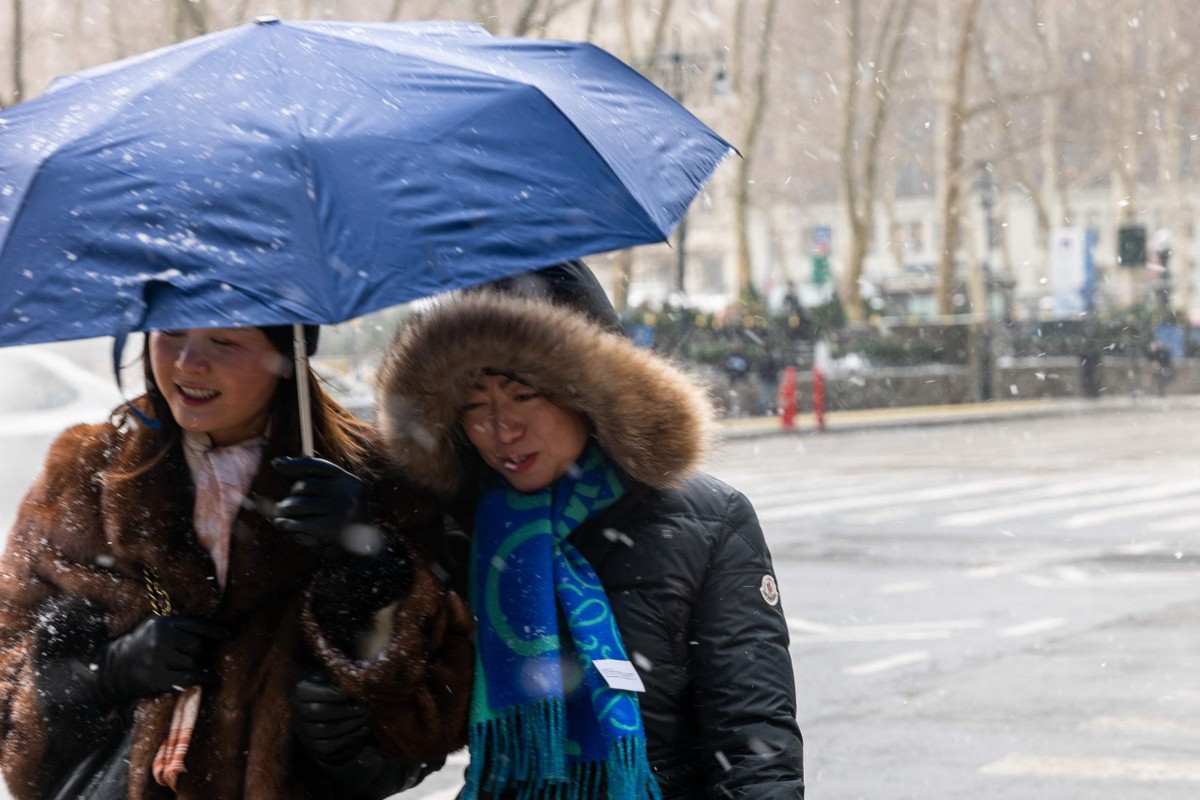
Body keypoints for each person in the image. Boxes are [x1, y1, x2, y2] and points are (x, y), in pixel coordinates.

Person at [0, 324, 473, 799]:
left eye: (223, 341)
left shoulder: (381, 483)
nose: (187, 363)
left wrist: (369, 563)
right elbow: (8, 660)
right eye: (171, 332)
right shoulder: (86, 477)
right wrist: (103, 674)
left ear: (286, 355)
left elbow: (438, 707)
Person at [375, 279, 805, 799]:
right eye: (472, 405)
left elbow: (753, 743)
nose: (500, 428)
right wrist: (362, 569)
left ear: (589, 395)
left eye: (523, 394)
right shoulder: (455, 531)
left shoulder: (709, 520)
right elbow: (400, 741)